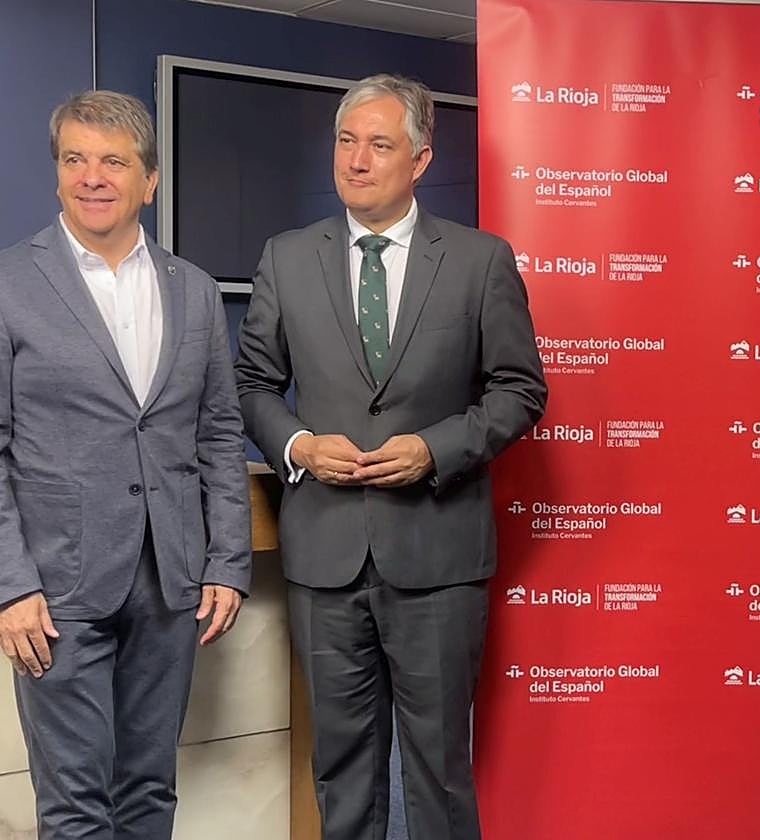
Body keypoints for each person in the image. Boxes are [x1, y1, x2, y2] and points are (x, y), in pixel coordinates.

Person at [235, 73, 546, 840]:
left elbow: (520, 390)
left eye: (379, 143)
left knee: (438, 770)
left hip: (437, 555)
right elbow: (252, 384)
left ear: (421, 159)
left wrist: (435, 450)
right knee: (341, 769)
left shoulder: (479, 261)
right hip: (325, 557)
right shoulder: (286, 256)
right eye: (346, 141)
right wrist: (299, 444)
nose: (357, 159)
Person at [0, 90, 251, 838]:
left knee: (148, 792)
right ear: (57, 176)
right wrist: (10, 585)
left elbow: (218, 433)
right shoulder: (10, 284)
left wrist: (227, 562)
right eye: (75, 159)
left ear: (150, 180)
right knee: (76, 806)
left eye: (113, 161)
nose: (92, 177)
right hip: (56, 591)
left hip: (171, 586)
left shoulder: (194, 291)